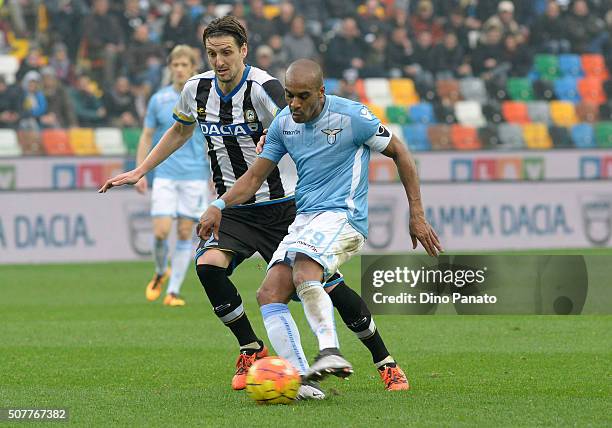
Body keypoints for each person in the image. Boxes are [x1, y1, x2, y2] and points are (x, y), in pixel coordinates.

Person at [99, 16, 414, 397]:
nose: (219, 61)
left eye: (227, 52)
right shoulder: (195, 90)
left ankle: (385, 361)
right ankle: (252, 349)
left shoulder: (267, 89)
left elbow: (300, 120)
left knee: (321, 285)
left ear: (243, 51)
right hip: (232, 206)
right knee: (209, 267)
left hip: (282, 206)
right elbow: (181, 129)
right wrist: (141, 169)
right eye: (212, 53)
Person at [197, 58, 442, 383]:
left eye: (303, 96)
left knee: (304, 271)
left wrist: (417, 214)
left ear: (321, 92)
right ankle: (299, 380)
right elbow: (254, 177)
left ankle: (330, 351)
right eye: (289, 96)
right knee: (270, 292)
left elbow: (401, 153)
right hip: (304, 220)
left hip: (344, 216)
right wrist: (218, 204)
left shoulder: (353, 116)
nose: (294, 104)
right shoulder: (284, 122)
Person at [134, 45, 210, 307]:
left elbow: (212, 139)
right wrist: (140, 170)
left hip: (195, 175)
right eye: (175, 65)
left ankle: (173, 292)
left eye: (183, 65)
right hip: (165, 174)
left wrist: (214, 173)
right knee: (160, 232)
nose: (179, 69)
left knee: (186, 231)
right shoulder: (159, 99)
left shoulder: (204, 98)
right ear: (170, 69)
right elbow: (146, 135)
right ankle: (160, 271)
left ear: (193, 68)